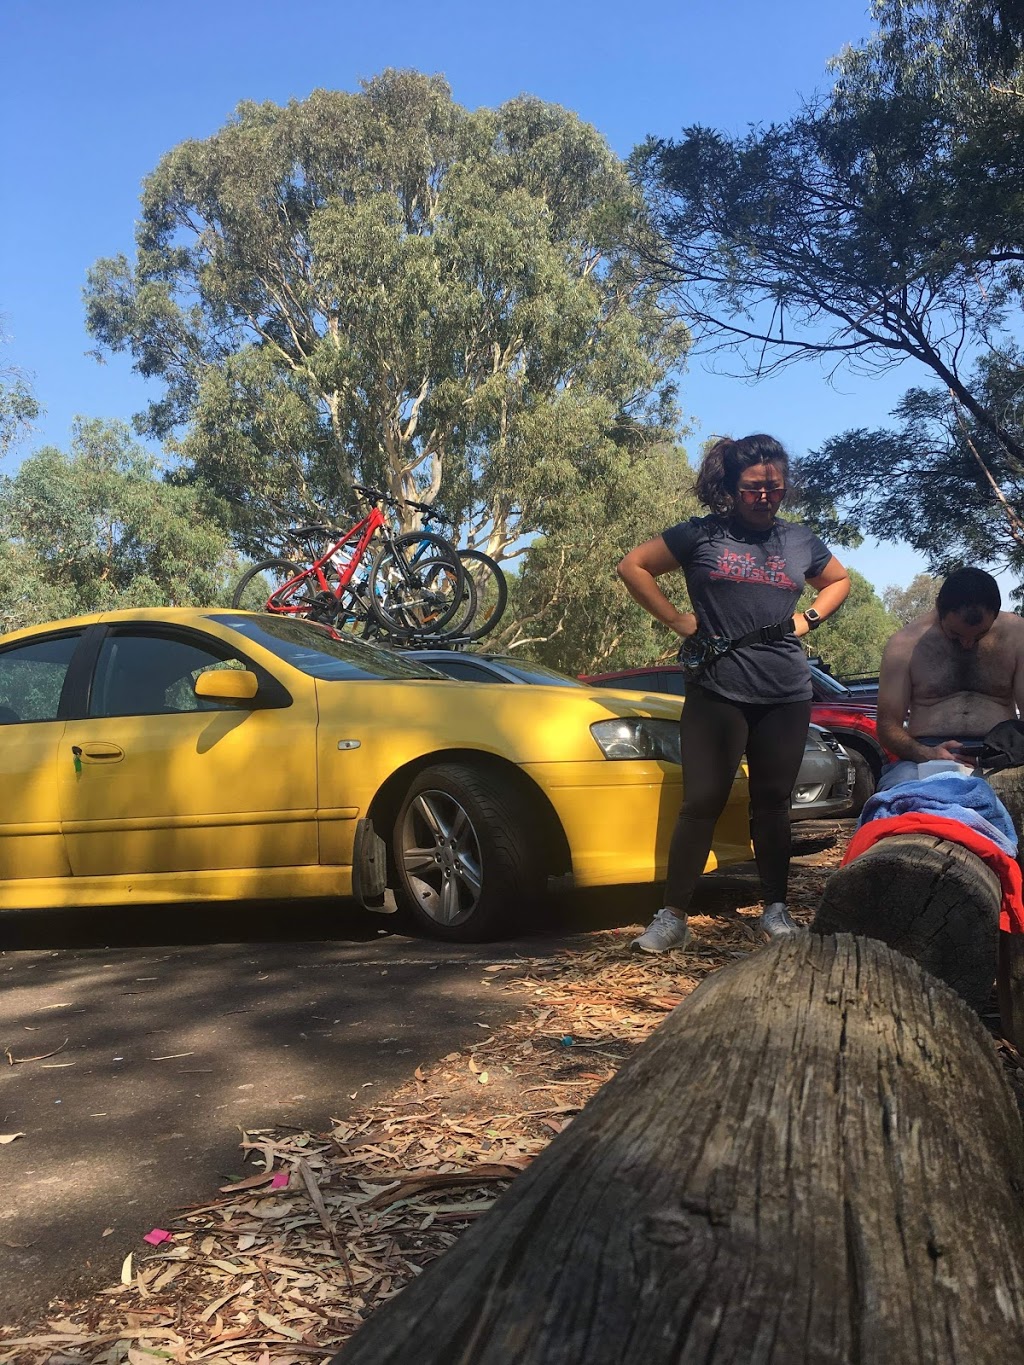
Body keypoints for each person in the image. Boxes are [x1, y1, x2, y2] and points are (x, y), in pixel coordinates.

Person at [617, 434, 850, 953]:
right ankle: (672, 917)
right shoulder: (700, 535)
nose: (766, 496)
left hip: (785, 691)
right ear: (729, 486)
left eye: (774, 487)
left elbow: (838, 580)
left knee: (772, 804)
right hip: (718, 688)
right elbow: (633, 566)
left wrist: (807, 618)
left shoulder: (799, 540)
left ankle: (775, 910)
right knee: (701, 802)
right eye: (753, 488)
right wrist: (677, 619)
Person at [876, 567, 1024, 784]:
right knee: (896, 794)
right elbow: (887, 726)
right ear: (939, 609)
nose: (967, 643)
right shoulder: (904, 644)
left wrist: (1008, 752)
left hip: (1000, 751)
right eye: (955, 634)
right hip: (924, 754)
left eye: (981, 634)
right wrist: (926, 754)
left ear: (995, 613)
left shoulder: (1017, 635)